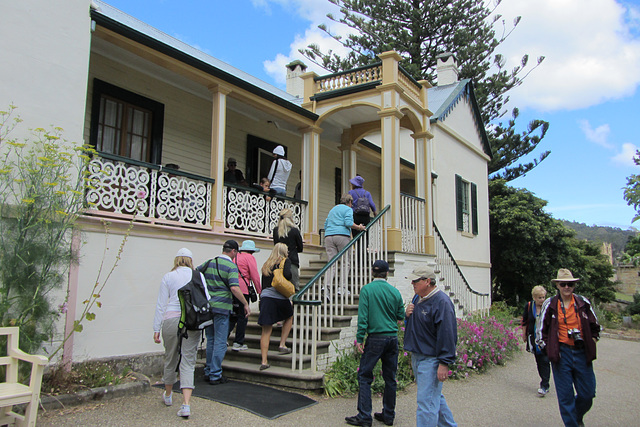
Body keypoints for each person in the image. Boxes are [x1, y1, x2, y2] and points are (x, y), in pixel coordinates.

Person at [345, 260, 405, 427]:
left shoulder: (367, 290)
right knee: (390, 378)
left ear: (372, 272)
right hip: (392, 337)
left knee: (364, 375)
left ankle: (364, 416)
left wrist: (360, 337)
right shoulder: (394, 292)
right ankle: (388, 414)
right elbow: (400, 315)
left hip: (376, 337)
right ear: (386, 273)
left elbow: (363, 316)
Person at [537, 269, 601, 427]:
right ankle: (572, 424)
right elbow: (541, 330)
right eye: (563, 284)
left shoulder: (582, 302)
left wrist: (591, 341)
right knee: (565, 396)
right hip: (561, 353)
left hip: (581, 352)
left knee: (588, 393)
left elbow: (596, 326)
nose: (567, 287)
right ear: (557, 285)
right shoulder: (551, 304)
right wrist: (549, 348)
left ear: (574, 285)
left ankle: (576, 416)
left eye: (570, 284)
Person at [404, 266, 457, 427]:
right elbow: (413, 324)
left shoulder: (442, 302)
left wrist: (444, 363)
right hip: (418, 355)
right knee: (434, 397)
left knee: (426, 403)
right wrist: (407, 315)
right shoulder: (417, 298)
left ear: (427, 282)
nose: (412, 283)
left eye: (416, 280)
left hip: (431, 359)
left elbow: (447, 334)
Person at [152, 248, 203, 418]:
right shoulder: (198, 276)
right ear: (190, 260)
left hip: (171, 319)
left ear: (177, 260)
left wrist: (156, 328)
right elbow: (206, 299)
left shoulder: (168, 276)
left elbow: (161, 305)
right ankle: (186, 404)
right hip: (191, 321)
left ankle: (168, 395)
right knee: (188, 361)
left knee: (170, 357)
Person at [198, 240, 250, 385]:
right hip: (222, 307)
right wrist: (245, 303)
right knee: (220, 341)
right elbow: (234, 287)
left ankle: (208, 370)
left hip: (208, 307)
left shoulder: (209, 263)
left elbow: (195, 274)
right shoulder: (231, 266)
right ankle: (215, 374)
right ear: (233, 251)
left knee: (211, 339)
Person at [257, 243, 294, 370]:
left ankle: (264, 361)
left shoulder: (266, 264)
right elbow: (288, 275)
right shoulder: (285, 261)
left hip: (266, 297)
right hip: (279, 297)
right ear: (284, 251)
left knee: (266, 330)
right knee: (289, 316)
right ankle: (282, 343)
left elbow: (263, 284)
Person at [324, 193, 366, 294]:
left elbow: (326, 224)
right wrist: (359, 227)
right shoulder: (348, 209)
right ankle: (341, 288)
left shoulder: (333, 209)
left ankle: (326, 287)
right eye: (351, 203)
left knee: (331, 263)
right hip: (342, 236)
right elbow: (348, 223)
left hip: (329, 236)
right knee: (345, 262)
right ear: (350, 202)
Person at [228, 240, 262, 352]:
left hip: (232, 288)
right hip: (243, 289)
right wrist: (259, 291)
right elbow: (255, 275)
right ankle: (238, 342)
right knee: (242, 316)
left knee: (232, 316)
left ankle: (224, 338)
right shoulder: (250, 258)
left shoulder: (236, 257)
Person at [522, 285, 551, 397]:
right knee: (538, 360)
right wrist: (524, 334)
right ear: (534, 297)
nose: (542, 300)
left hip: (545, 337)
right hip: (533, 337)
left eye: (543, 297)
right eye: (539, 297)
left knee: (545, 360)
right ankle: (543, 379)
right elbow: (525, 320)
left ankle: (545, 384)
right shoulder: (529, 306)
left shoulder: (548, 307)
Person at [272, 208, 303, 290]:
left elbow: (276, 245)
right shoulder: (294, 231)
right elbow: (300, 247)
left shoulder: (276, 230)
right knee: (294, 287)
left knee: (279, 286)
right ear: (290, 218)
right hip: (292, 261)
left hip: (278, 260)